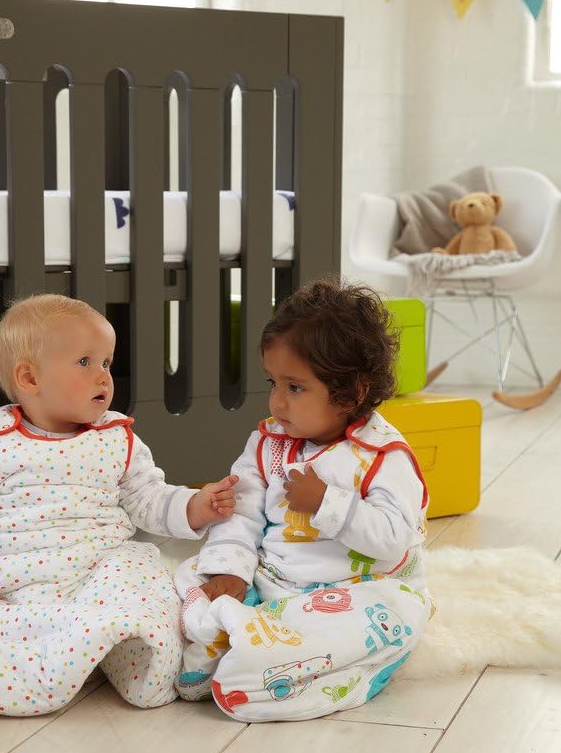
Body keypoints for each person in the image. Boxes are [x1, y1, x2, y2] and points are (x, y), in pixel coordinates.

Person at [0, 293, 237, 716]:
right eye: (85, 362)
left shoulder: (115, 438)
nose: (103, 377)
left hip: (100, 568)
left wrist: (196, 506)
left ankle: (130, 649)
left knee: (147, 585)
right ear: (29, 378)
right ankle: (62, 645)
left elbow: (148, 498)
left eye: (107, 363)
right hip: (18, 574)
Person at [175, 278, 432, 721]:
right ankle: (240, 636)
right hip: (275, 578)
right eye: (272, 382)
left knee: (390, 618)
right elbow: (242, 513)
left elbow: (393, 539)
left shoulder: (381, 456)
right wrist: (231, 571)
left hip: (355, 592)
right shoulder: (269, 444)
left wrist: (328, 502)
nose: (276, 402)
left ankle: (271, 661)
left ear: (352, 393)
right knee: (188, 577)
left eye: (294, 388)